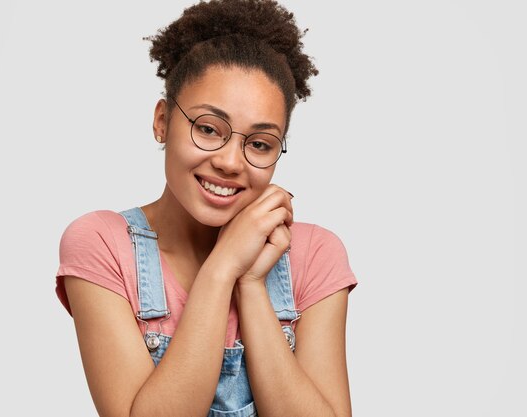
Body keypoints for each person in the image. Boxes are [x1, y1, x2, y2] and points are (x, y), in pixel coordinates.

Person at [55, 0, 358, 415]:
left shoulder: (315, 255)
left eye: (259, 143)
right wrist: (222, 268)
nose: (231, 162)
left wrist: (251, 282)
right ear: (163, 120)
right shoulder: (103, 245)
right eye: (209, 129)